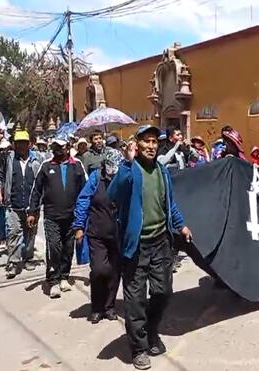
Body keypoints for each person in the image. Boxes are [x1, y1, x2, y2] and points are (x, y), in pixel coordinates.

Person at [107, 125, 193, 370]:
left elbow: (169, 204)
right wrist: (126, 162)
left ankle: (151, 330)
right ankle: (139, 348)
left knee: (163, 291)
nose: (151, 146)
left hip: (160, 243)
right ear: (137, 143)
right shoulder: (129, 170)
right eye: (146, 141)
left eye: (155, 141)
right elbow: (112, 194)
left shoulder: (162, 172)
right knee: (135, 300)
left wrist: (181, 225)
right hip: (135, 247)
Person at [28, 133, 88, 298]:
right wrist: (32, 211)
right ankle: (53, 280)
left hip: (72, 216)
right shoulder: (46, 166)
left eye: (60, 146)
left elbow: (86, 190)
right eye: (55, 146)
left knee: (69, 249)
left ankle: (64, 277)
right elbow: (36, 190)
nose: (57, 149)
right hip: (51, 216)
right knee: (54, 247)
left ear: (67, 147)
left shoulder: (77, 166)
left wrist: (85, 214)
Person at [73, 156, 121, 323]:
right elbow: (83, 200)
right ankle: (97, 307)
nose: (111, 178)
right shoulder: (95, 177)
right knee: (100, 270)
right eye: (109, 174)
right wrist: (79, 226)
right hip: (97, 234)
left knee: (115, 272)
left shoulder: (122, 176)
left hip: (118, 235)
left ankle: (109, 307)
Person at [0, 131, 42, 279]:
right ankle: (13, 263)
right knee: (13, 234)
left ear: (29, 144)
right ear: (14, 144)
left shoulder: (37, 159)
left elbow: (42, 181)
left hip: (32, 206)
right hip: (13, 205)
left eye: (23, 142)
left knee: (30, 234)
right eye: (18, 142)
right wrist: (0, 193)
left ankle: (28, 258)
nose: (21, 145)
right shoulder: (7, 159)